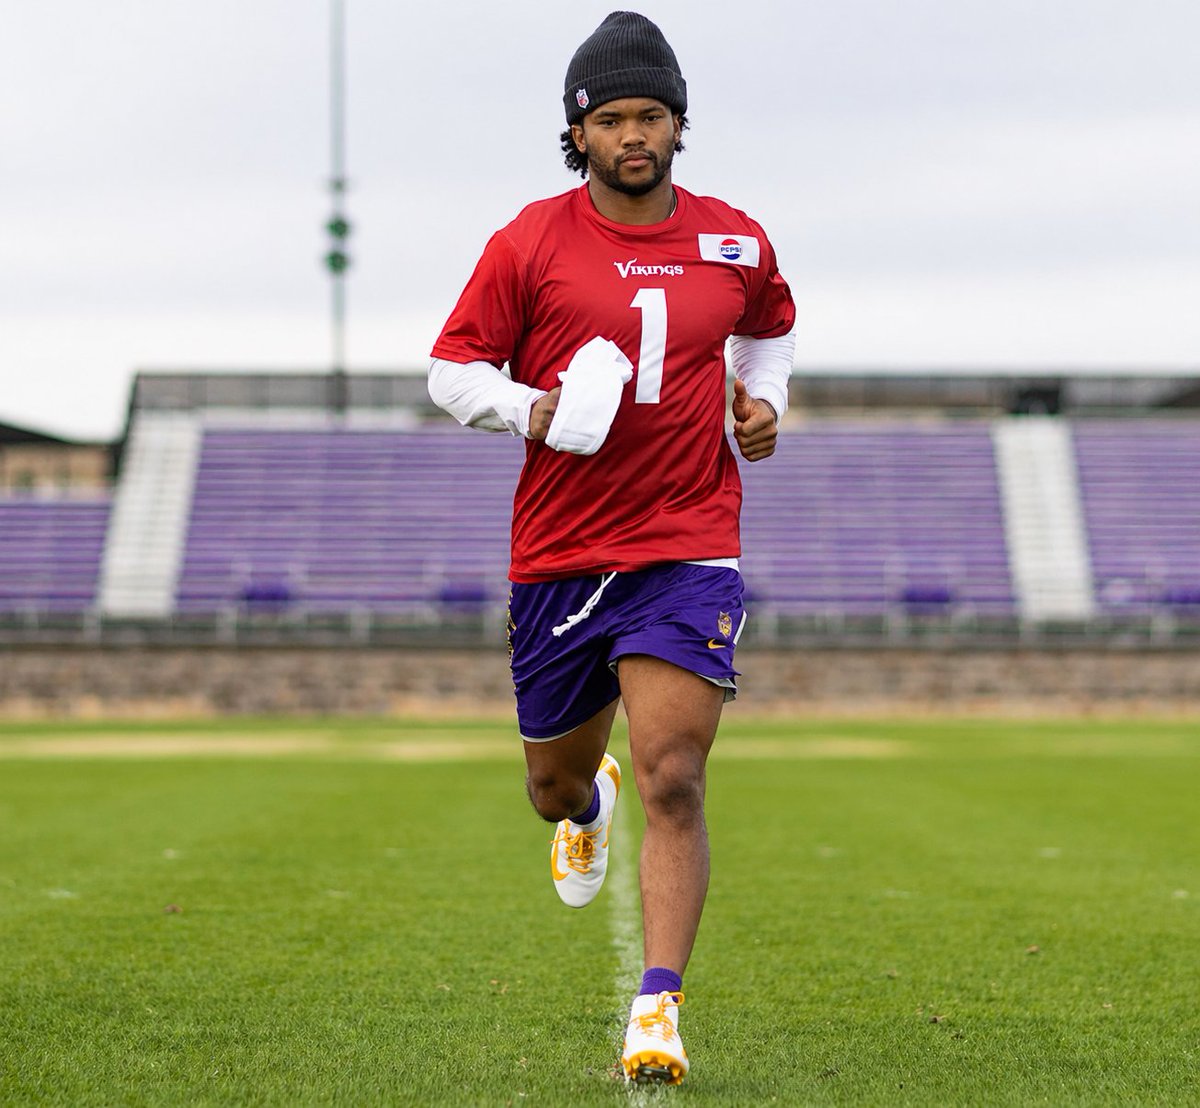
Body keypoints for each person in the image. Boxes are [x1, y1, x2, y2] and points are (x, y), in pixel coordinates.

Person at [428, 10, 795, 1086]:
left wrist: (761, 403)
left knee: (674, 771)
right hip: (560, 551)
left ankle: (659, 1008)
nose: (635, 134)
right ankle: (586, 808)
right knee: (552, 782)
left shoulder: (735, 237)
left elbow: (768, 324)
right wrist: (531, 412)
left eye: (653, 116)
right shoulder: (529, 242)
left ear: (680, 125)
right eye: (614, 118)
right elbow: (450, 370)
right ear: (578, 131)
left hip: (688, 543)